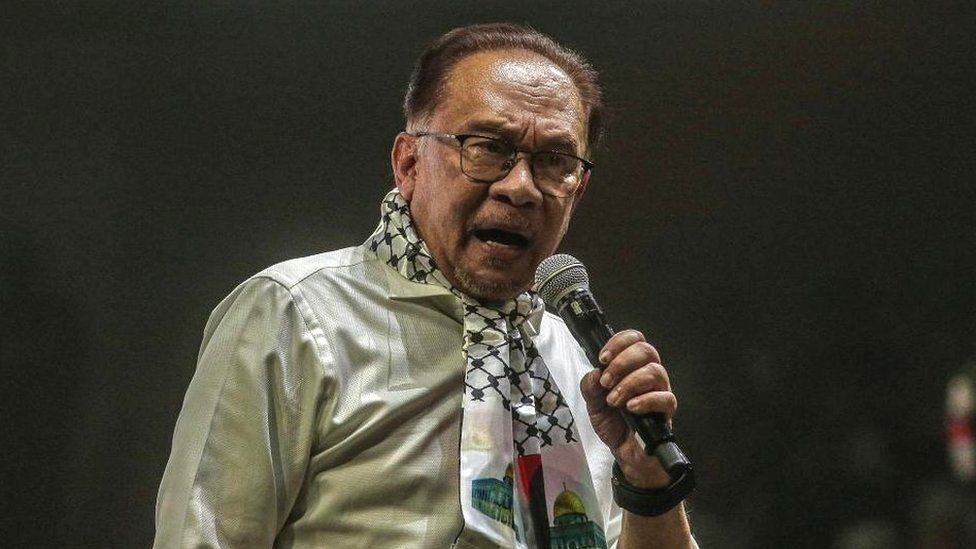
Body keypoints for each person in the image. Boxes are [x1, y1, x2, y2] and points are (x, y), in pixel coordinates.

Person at [154, 23, 696, 548]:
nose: (521, 188)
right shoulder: (295, 314)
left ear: (576, 193)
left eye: (554, 162)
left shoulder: (584, 372)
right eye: (487, 146)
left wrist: (646, 479)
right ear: (408, 162)